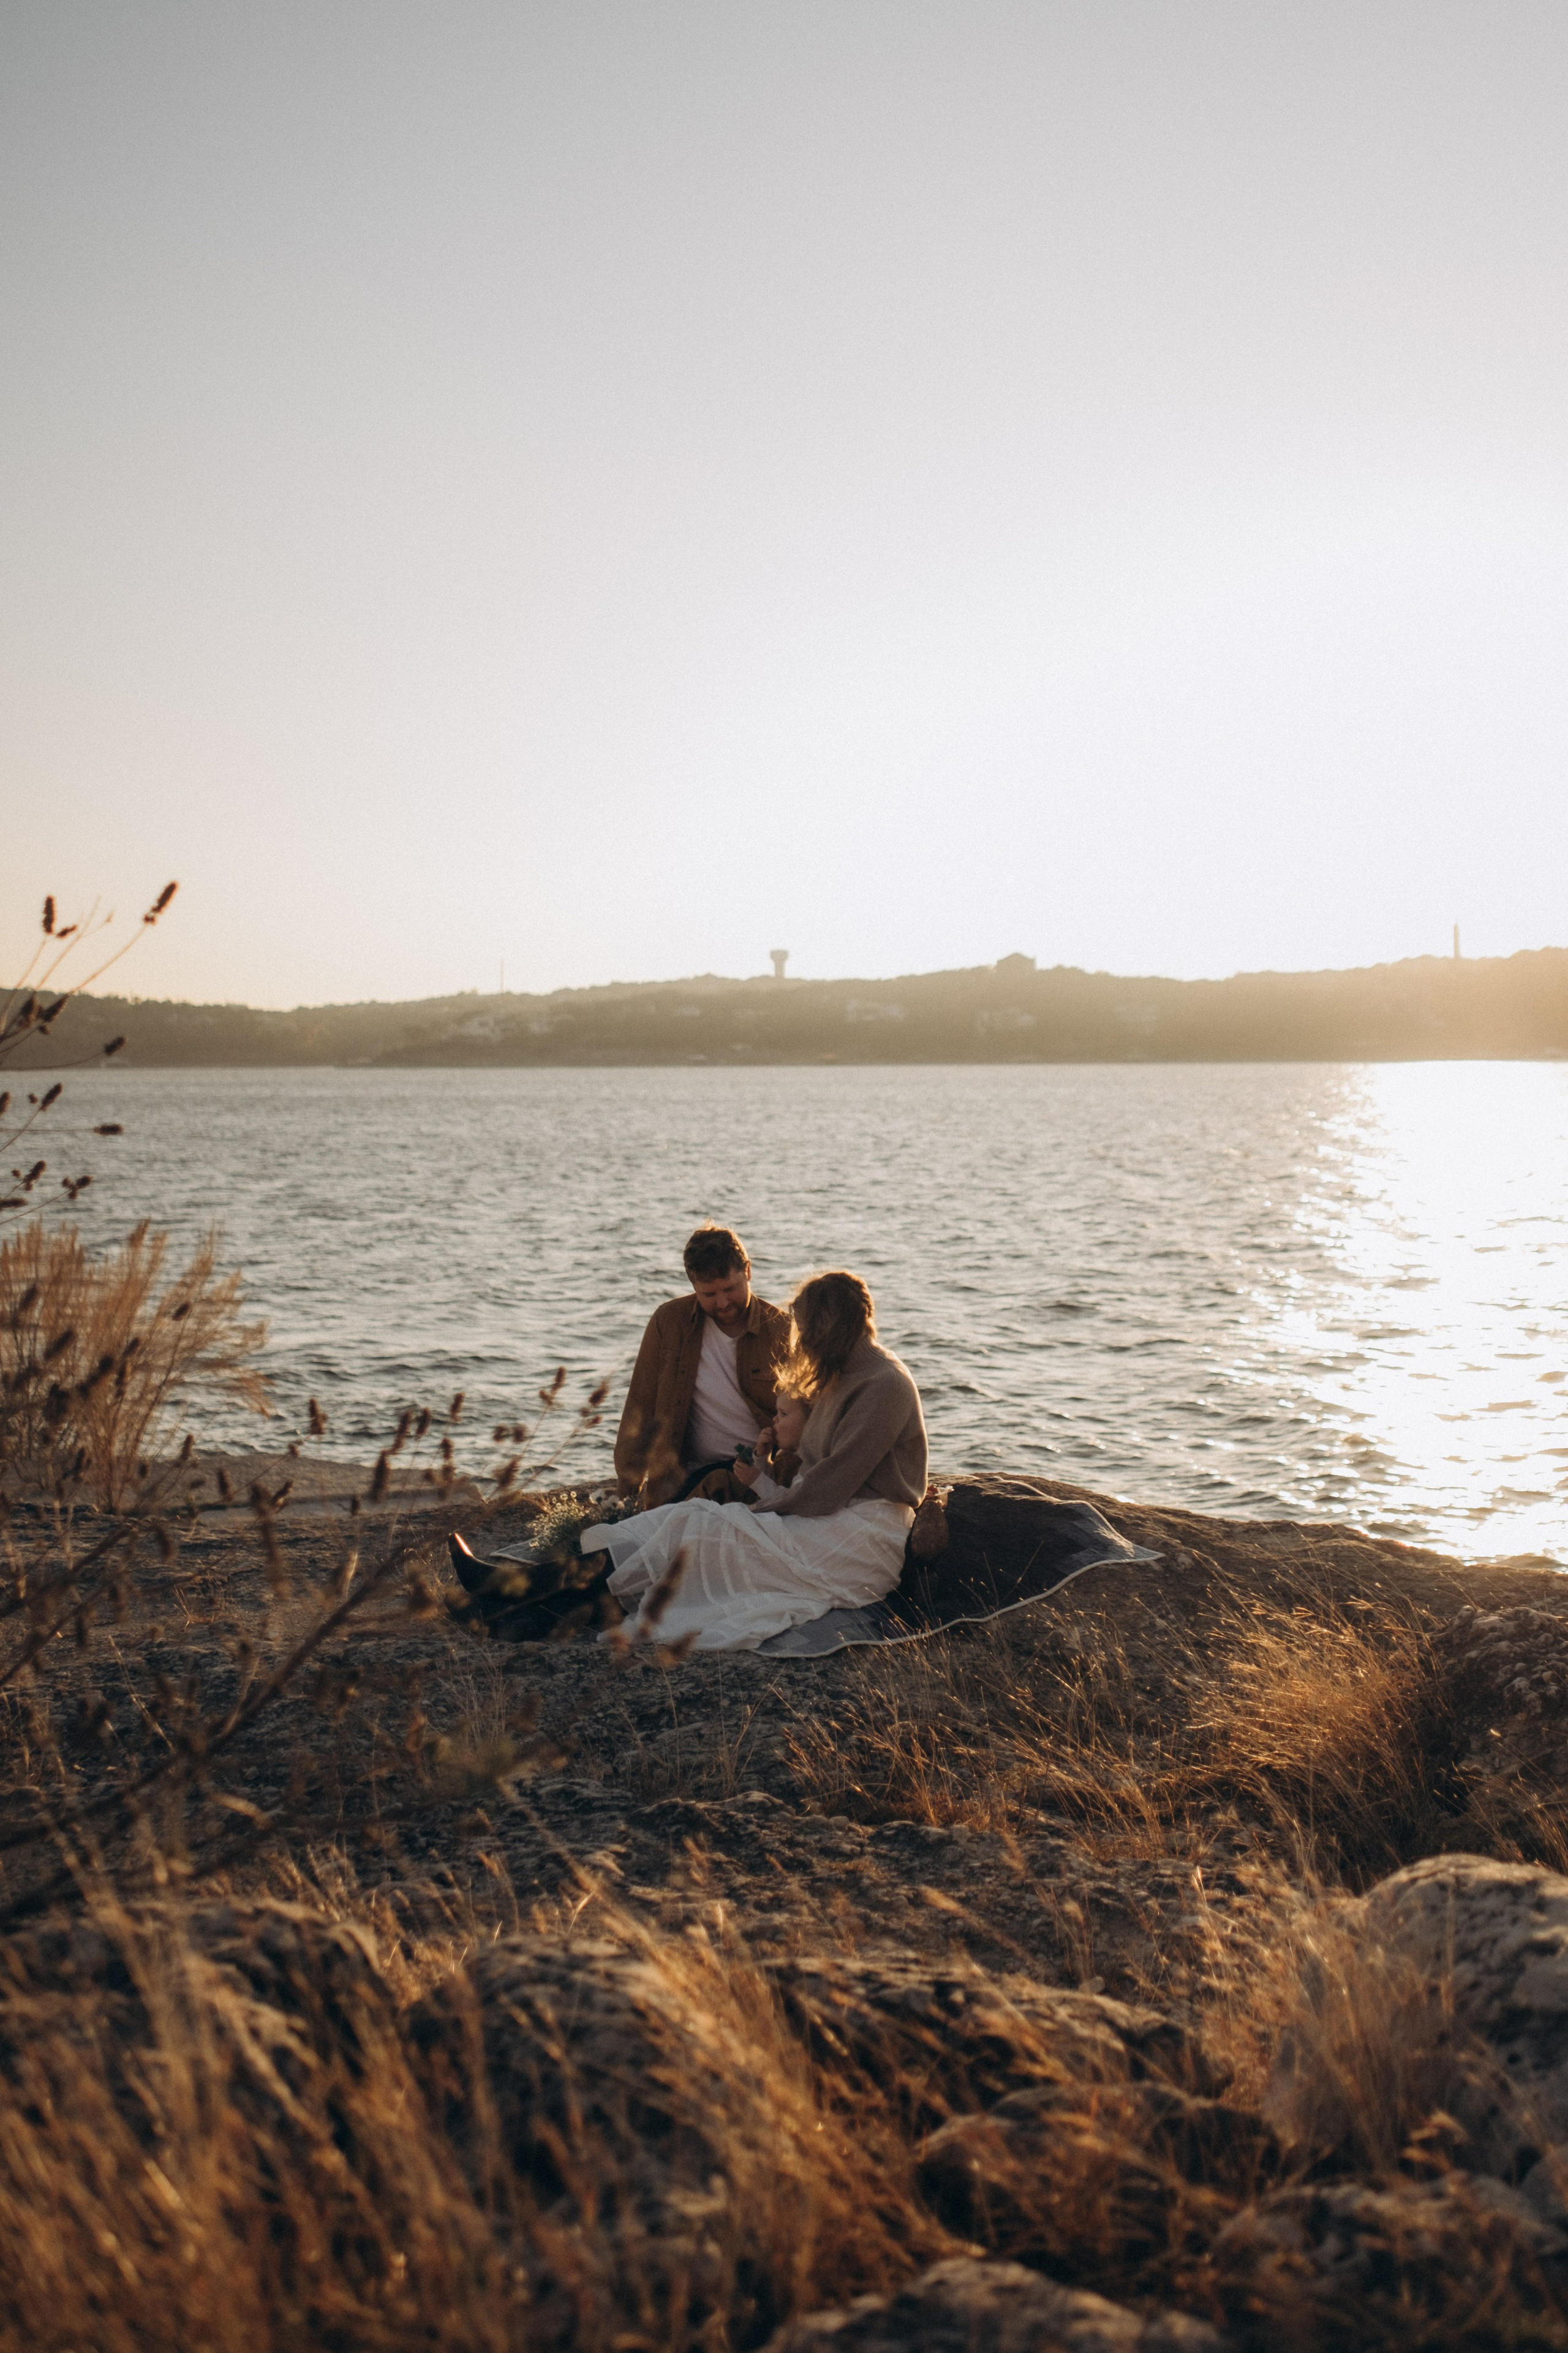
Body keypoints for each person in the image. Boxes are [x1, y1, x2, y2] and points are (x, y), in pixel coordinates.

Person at [581, 1269, 927, 1652]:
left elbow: (829, 1487)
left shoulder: (884, 1384)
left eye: (805, 1329)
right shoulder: (839, 1373)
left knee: (709, 1529)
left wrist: (761, 1508)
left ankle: (576, 1597)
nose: (801, 1341)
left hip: (863, 1534)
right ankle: (568, 1588)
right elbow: (815, 1469)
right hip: (829, 1519)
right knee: (694, 1521)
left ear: (828, 1328)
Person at [613, 1225, 791, 1508]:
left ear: (748, 1271)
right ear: (692, 1283)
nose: (723, 1303)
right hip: (688, 1475)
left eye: (730, 1289)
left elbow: (809, 1418)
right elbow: (640, 1405)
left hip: (762, 1471)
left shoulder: (782, 1329)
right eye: (709, 1294)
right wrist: (625, 1496)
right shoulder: (669, 1322)